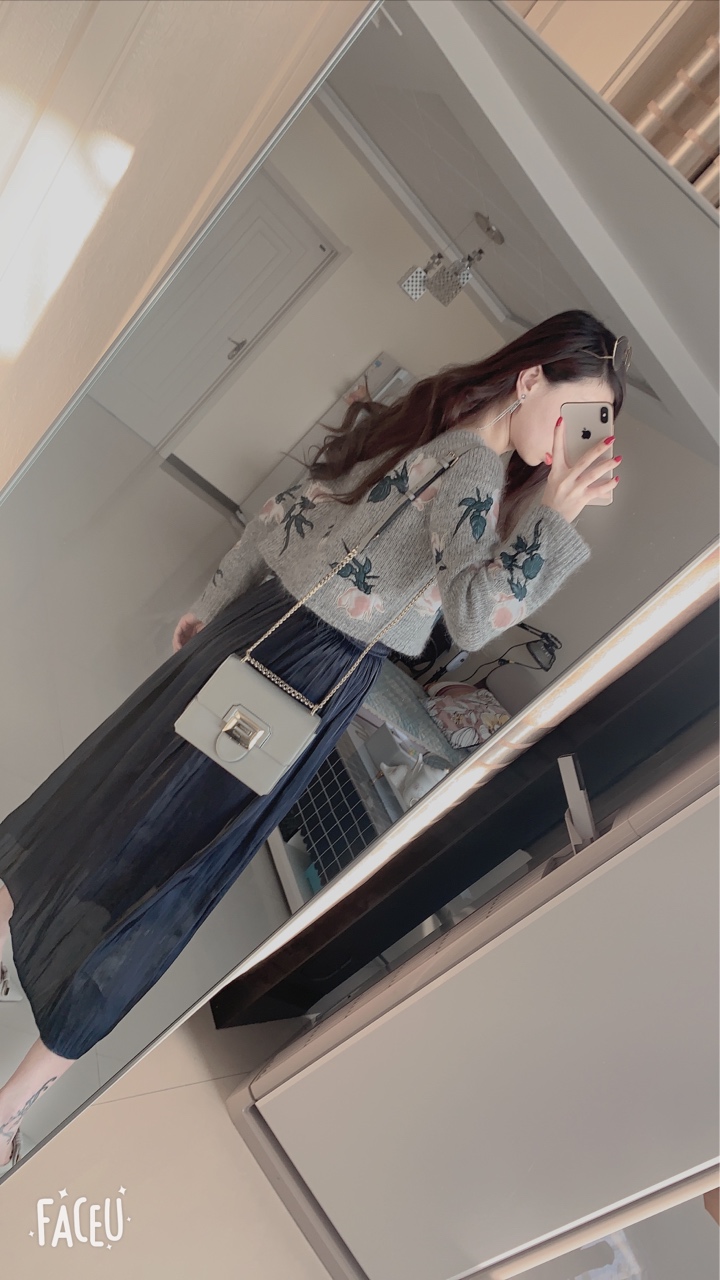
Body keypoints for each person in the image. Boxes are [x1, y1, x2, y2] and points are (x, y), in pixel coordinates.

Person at [0, 309, 628, 1169]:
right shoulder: (476, 467)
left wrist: (218, 599)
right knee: (173, 869)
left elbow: (294, 508)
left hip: (266, 637)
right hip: (305, 675)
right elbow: (476, 617)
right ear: (530, 381)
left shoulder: (437, 429)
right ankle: (11, 1103)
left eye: (592, 428)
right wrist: (555, 514)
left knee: (112, 797)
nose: (571, 442)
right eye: (575, 415)